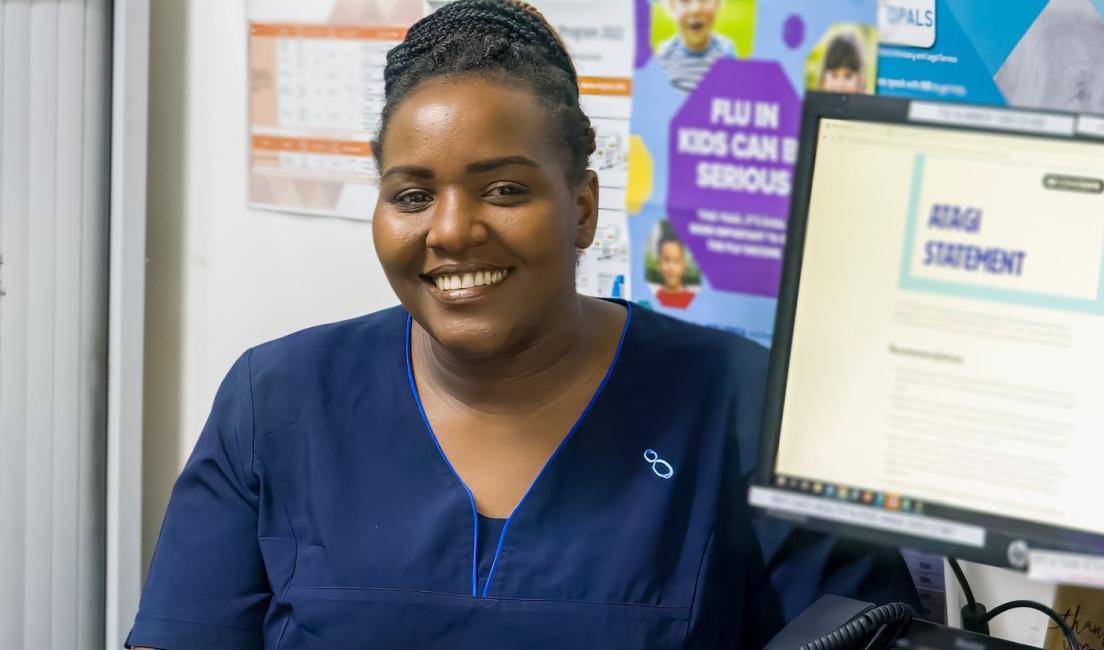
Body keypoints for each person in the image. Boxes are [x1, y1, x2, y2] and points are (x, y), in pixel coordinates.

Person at [127, 1, 918, 648]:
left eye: (503, 190)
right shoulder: (278, 400)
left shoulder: (748, 406)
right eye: (410, 195)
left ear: (581, 208)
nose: (450, 231)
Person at [655, 0, 737, 92]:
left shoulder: (725, 50)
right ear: (672, 7)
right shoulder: (665, 53)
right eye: (685, 1)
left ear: (717, 4)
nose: (695, 9)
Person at [655, 231, 698, 309]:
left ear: (684, 266)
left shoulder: (692, 299)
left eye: (676, 261)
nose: (671, 266)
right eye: (666, 260)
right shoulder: (655, 297)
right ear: (658, 264)